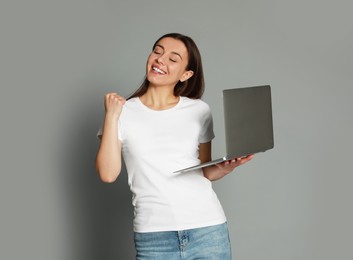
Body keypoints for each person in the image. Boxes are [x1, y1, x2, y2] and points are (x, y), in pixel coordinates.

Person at [96, 33, 254, 260]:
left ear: (186, 74)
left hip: (208, 231)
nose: (160, 59)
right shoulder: (122, 112)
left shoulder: (199, 110)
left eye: (173, 58)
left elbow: (206, 171)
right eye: (157, 51)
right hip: (154, 237)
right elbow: (108, 174)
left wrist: (228, 166)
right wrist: (111, 116)